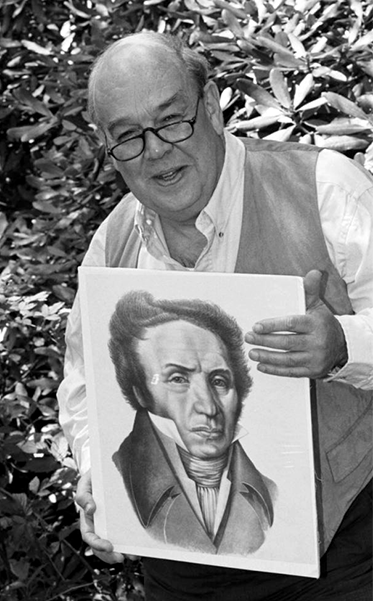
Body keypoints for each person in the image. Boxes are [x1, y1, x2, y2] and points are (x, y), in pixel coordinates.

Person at [57, 30, 373, 601]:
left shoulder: (324, 187)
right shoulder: (111, 245)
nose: (155, 150)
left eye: (172, 120)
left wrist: (345, 343)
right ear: (108, 147)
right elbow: (84, 385)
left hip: (345, 552)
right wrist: (98, 475)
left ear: (210, 105)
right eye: (128, 136)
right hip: (182, 569)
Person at [108, 290, 276, 555]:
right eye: (178, 379)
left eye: (219, 381)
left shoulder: (272, 496)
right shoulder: (115, 482)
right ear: (141, 391)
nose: (208, 407)